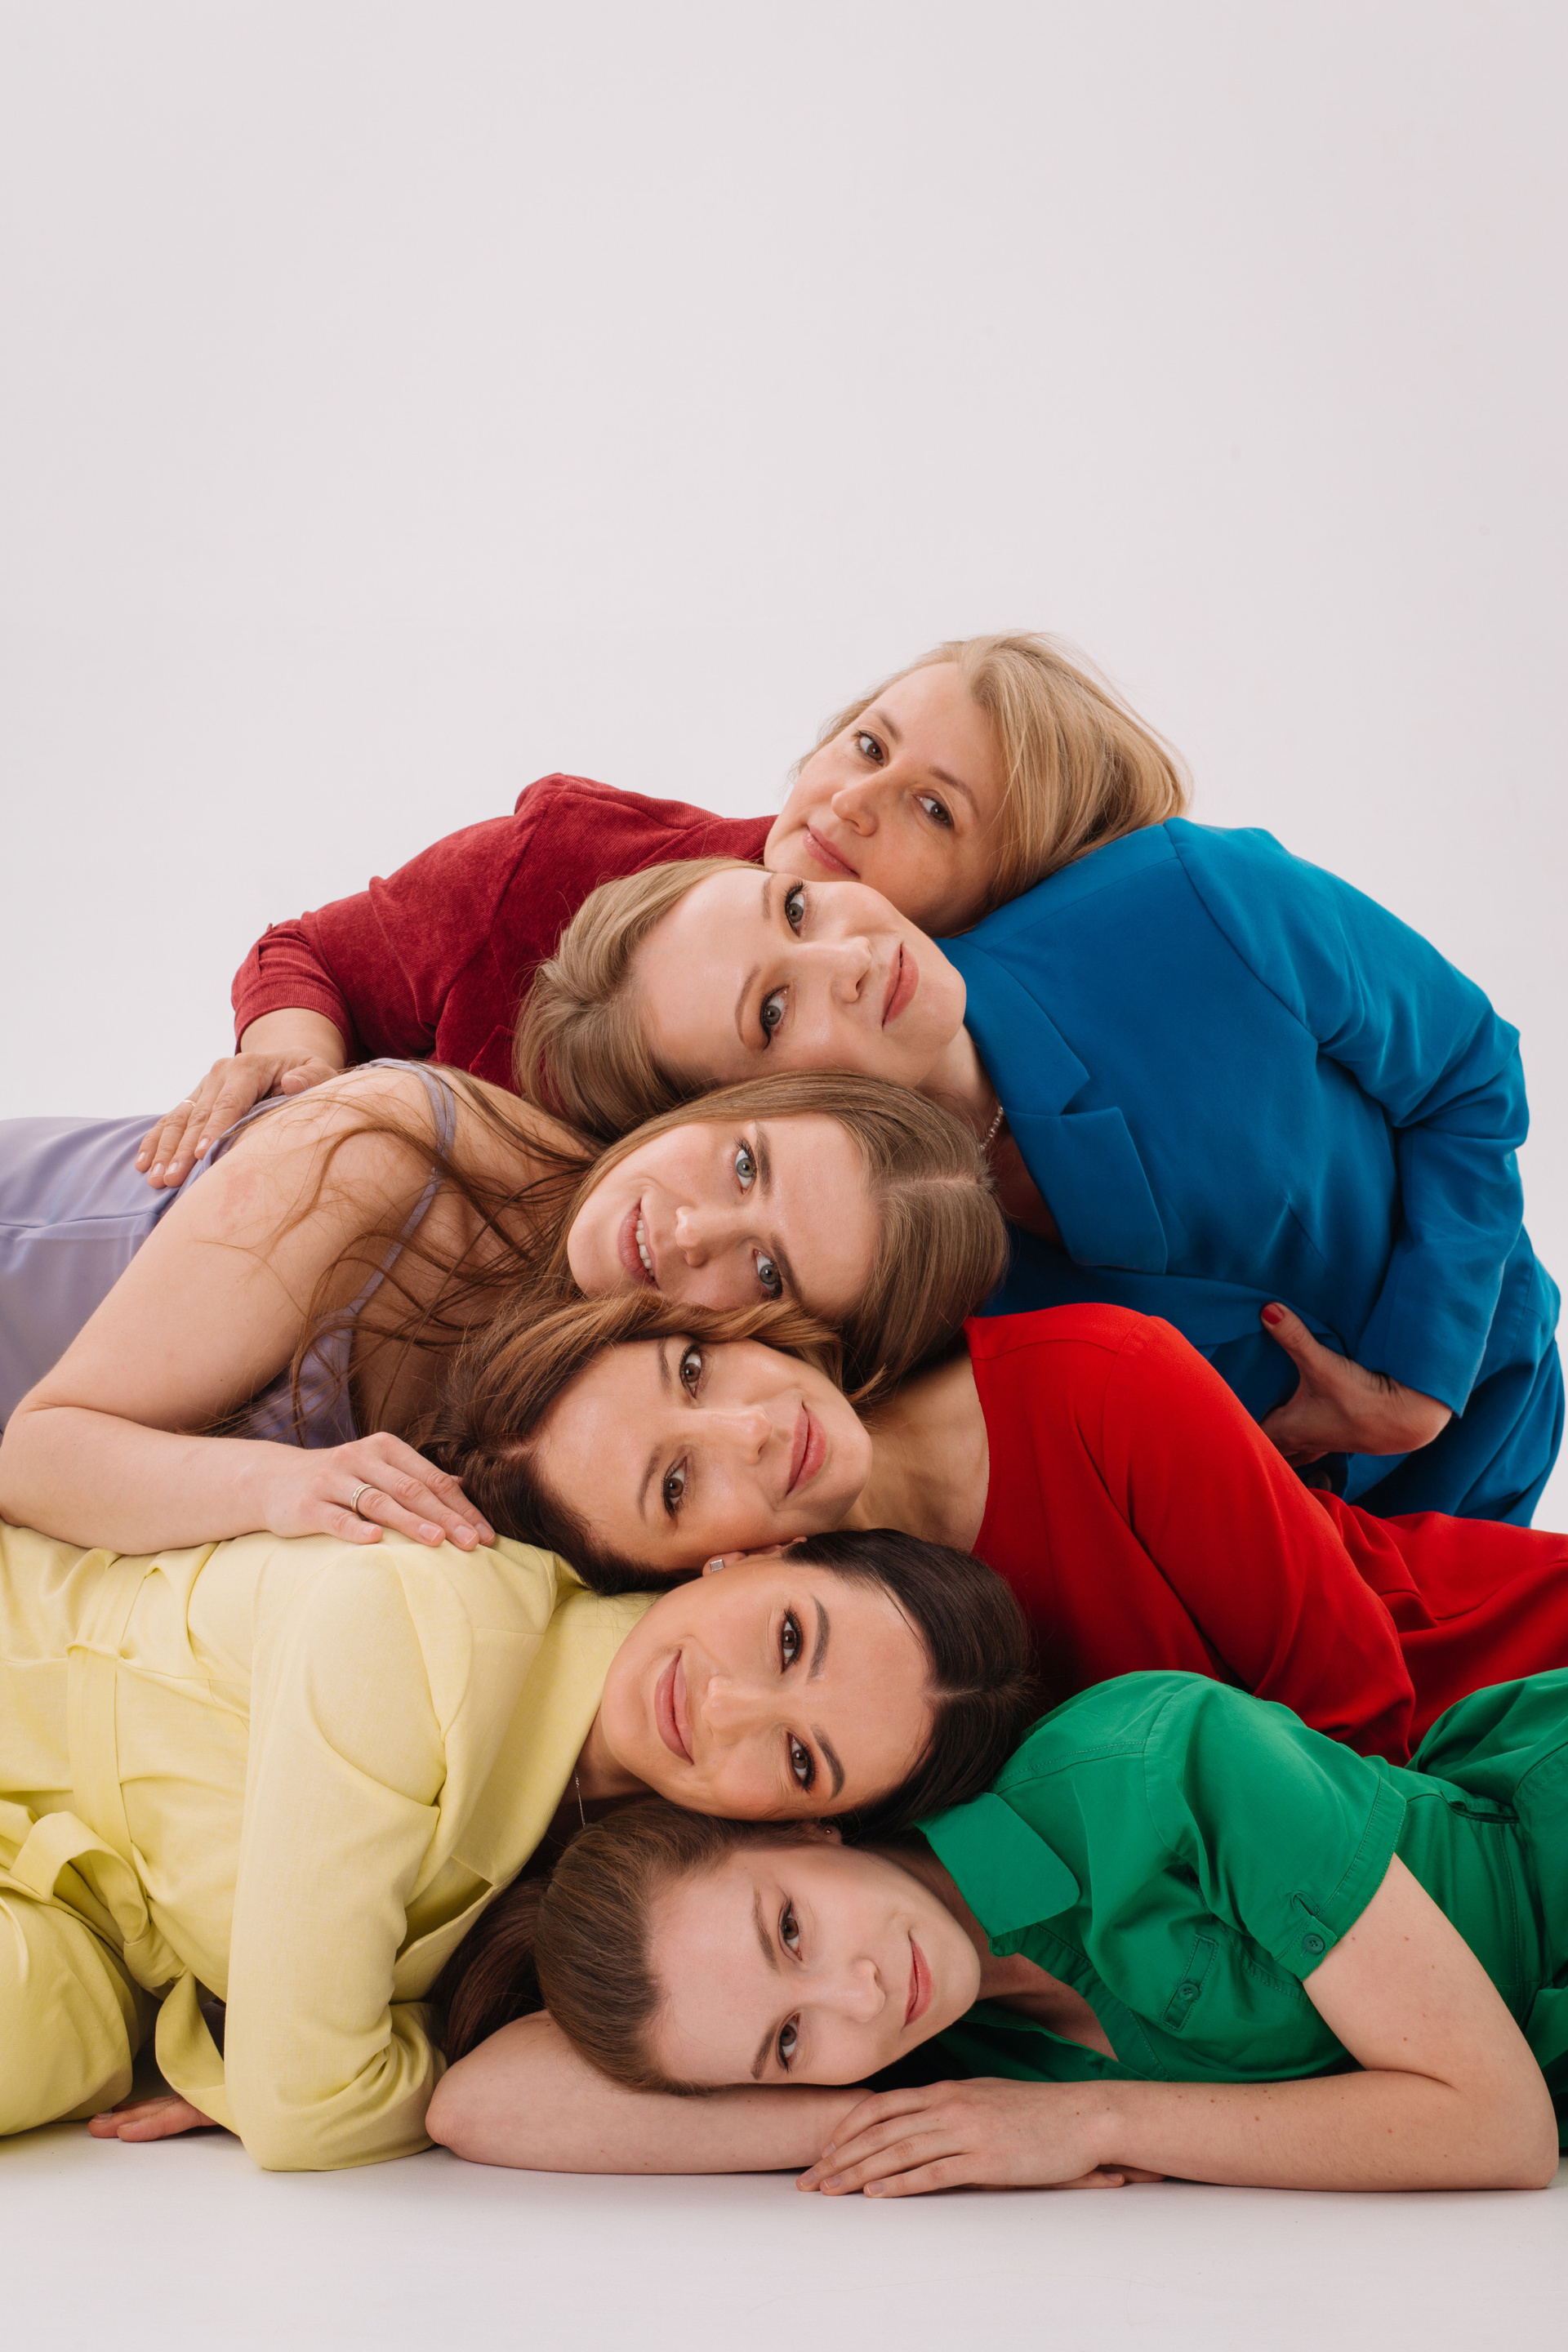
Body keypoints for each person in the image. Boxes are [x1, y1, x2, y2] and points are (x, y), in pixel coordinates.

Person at [514, 835, 1559, 1522]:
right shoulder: (885, 1326)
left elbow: (1468, 1072)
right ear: (752, 1111)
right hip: (1357, 1600)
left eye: (796, 909)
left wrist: (1421, 1380)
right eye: (774, 1013)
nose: (849, 958)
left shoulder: (1179, 900)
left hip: (1503, 1401)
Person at [0, 1521, 1035, 2167]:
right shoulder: (422, 1620)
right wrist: (281, 2053)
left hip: (94, 1947)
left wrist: (298, 2038)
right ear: (760, 1551)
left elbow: (466, 2098)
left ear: (806, 1822)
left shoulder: (665, 1915)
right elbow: (304, 2106)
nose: (723, 1706)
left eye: (801, 1758)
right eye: (789, 1638)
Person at [425, 1668, 1568, 2197]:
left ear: (803, 1827)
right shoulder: (955, 2058)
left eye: (792, 1931)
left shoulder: (1149, 1764)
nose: (860, 1996)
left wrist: (1094, 2122)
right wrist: (857, 2120)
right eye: (787, 2041)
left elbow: (1499, 2128)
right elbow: (476, 2107)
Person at [136, 634, 1184, 1185]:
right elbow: (312, 954)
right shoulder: (568, 862)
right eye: (868, 743)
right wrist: (293, 1066)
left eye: (935, 810)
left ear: (997, 915)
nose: (853, 801)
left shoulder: (938, 1107)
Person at [427, 1290, 1568, 1762]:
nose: (754, 1425)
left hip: (1495, 1677)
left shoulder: (1096, 1377)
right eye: (677, 1485)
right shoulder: (810, 1692)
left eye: (693, 1369)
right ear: (697, 1571)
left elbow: (1364, 1727)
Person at [0, 1065, 1002, 1551]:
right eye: (745, 1163)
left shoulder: (619, 1436)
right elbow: (37, 1453)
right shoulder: (387, 1152)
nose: (693, 1230)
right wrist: (279, 1485)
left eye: (769, 1272)